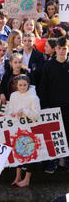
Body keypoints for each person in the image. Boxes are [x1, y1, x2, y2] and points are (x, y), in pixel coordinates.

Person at [39, 36, 69, 174]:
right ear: (55, 49)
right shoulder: (48, 66)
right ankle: (53, 161)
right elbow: (43, 87)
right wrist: (45, 106)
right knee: (54, 136)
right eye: (59, 48)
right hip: (53, 107)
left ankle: (66, 160)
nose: (62, 51)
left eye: (65, 49)